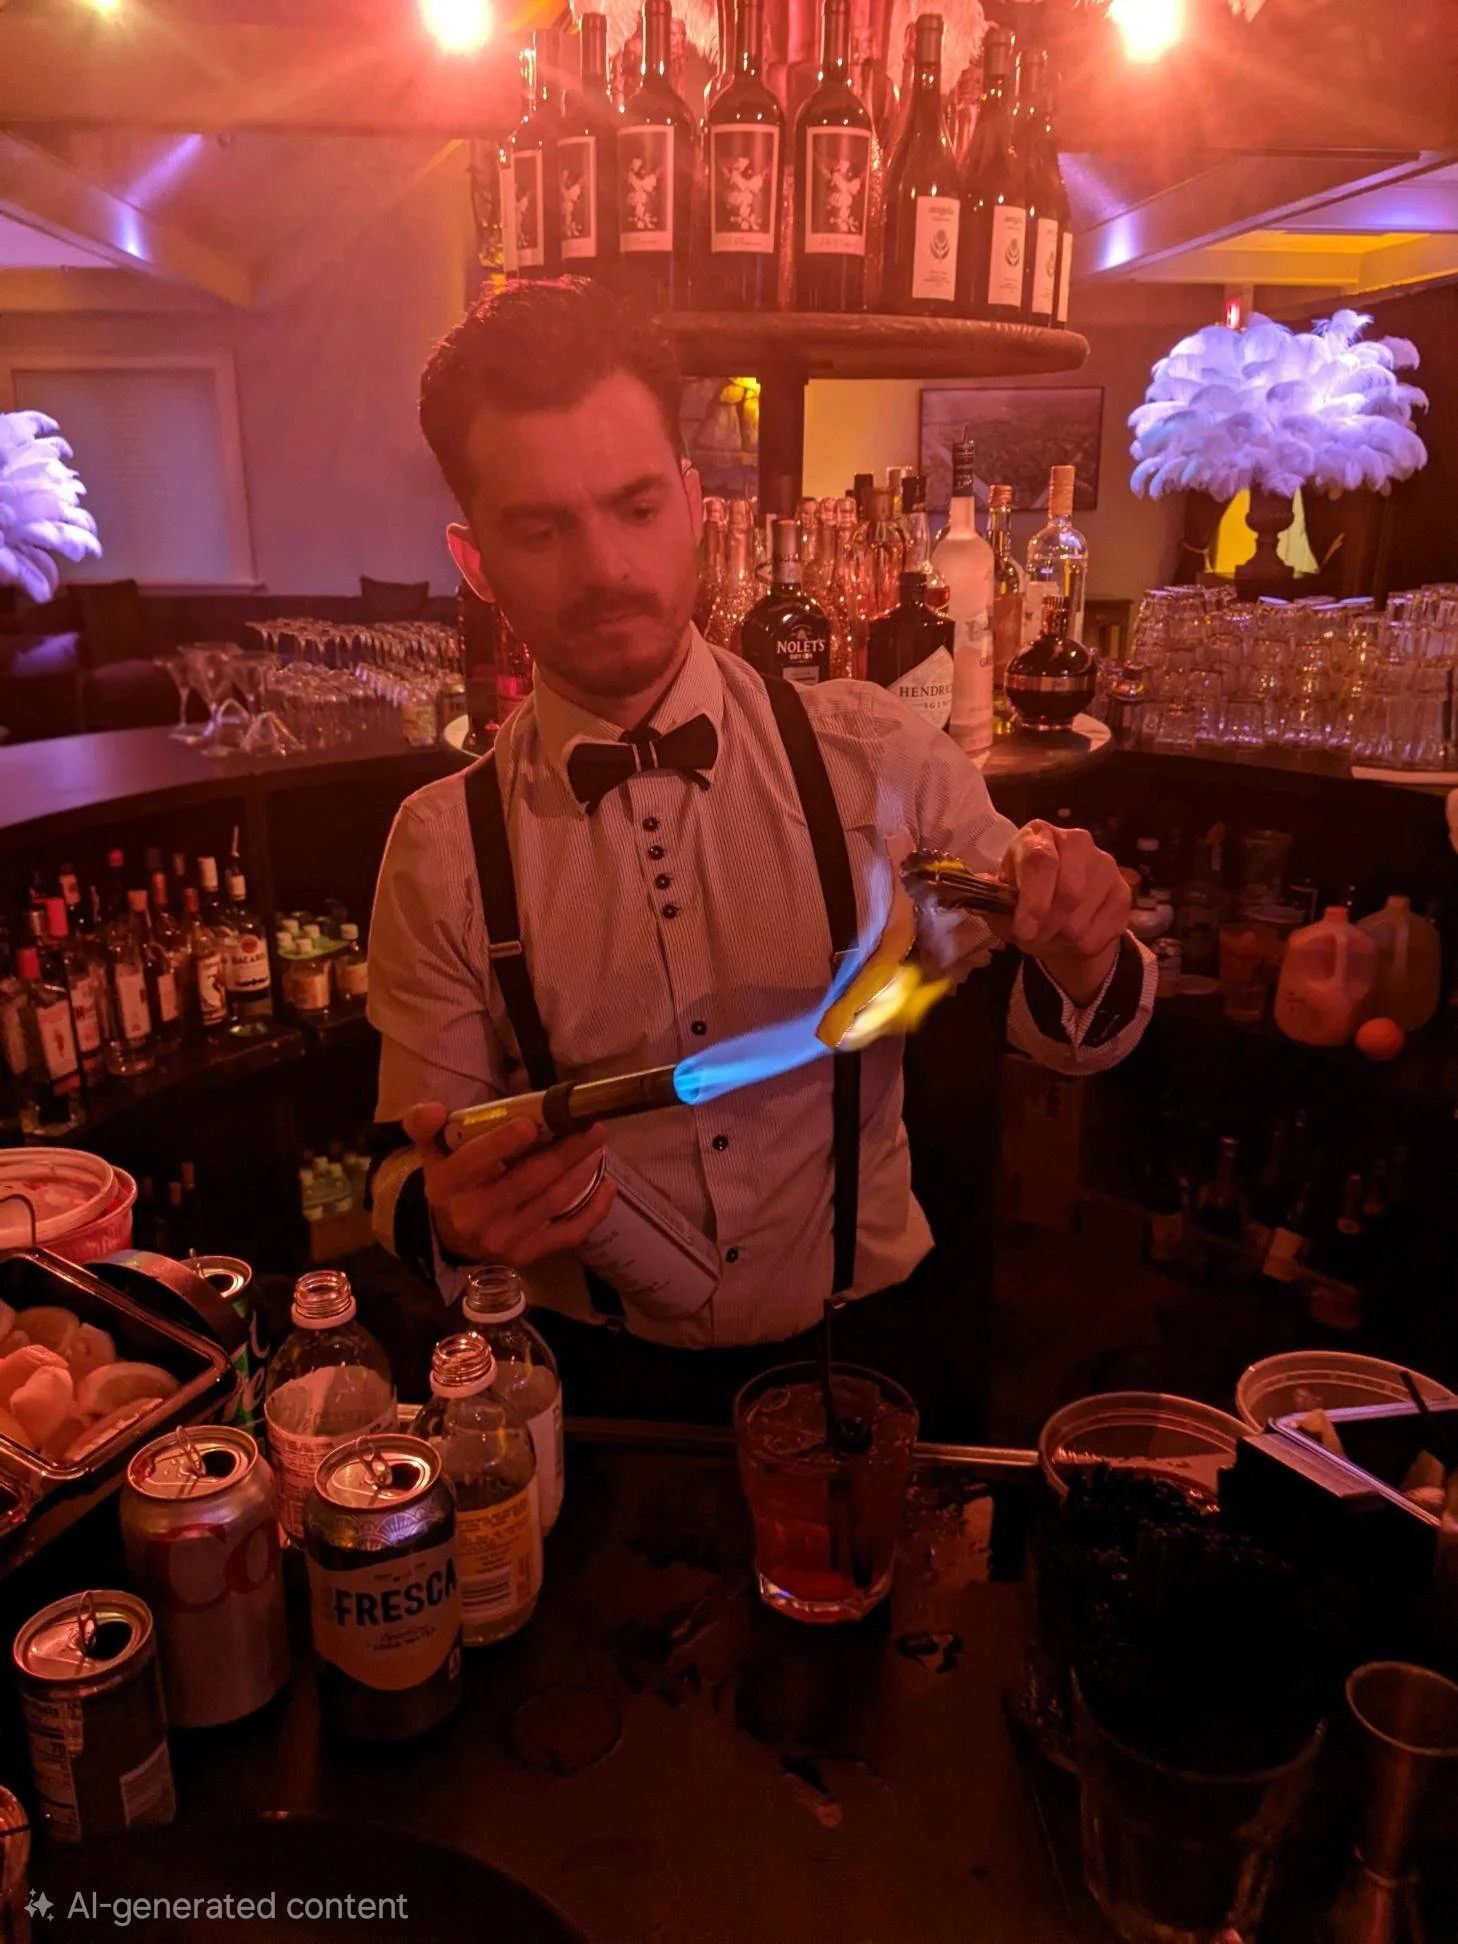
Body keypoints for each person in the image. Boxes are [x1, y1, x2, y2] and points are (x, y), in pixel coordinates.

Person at [368, 278, 1153, 1437]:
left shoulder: (876, 754)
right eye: (542, 529)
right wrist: (450, 1213)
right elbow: (405, 1171)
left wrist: (1083, 947)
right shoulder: (438, 848)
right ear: (473, 558)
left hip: (878, 1352)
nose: (605, 569)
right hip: (596, 1391)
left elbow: (1090, 1024)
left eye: (637, 506)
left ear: (694, 505)